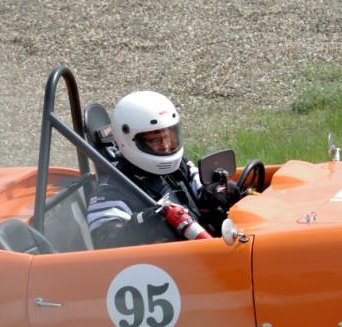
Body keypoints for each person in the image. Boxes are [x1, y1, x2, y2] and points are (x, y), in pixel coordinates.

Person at [86, 91, 236, 249]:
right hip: (166, 268)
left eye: (169, 137)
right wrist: (146, 222)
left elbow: (202, 188)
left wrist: (219, 191)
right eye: (155, 140)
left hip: (206, 251)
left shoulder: (179, 167)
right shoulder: (110, 191)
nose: (165, 146)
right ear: (129, 141)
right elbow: (106, 244)